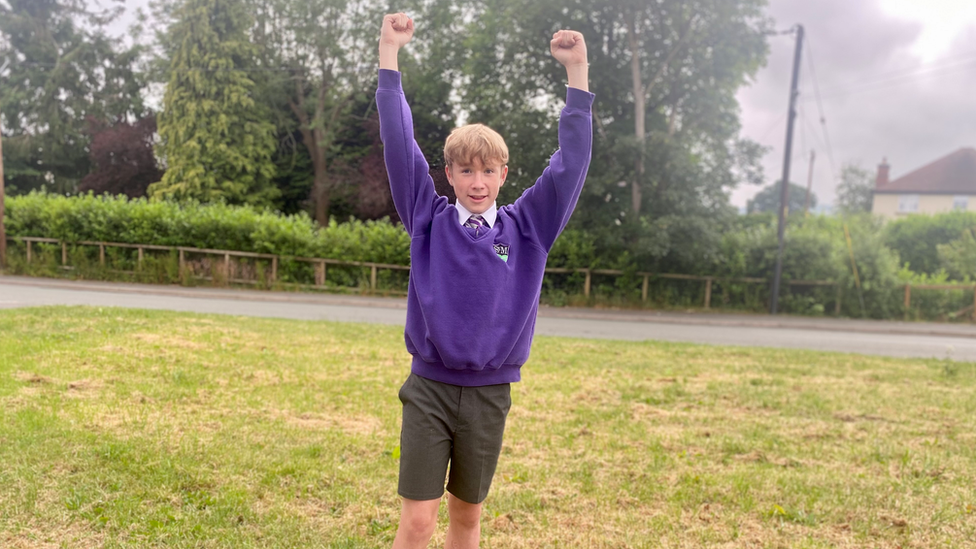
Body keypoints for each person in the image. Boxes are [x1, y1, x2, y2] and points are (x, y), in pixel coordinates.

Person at [377, 12, 592, 549]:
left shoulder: (529, 227)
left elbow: (571, 164)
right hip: (428, 391)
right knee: (418, 522)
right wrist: (390, 55)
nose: (478, 182)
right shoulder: (427, 219)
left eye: (488, 170)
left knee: (467, 520)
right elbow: (399, 144)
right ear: (448, 174)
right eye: (466, 170)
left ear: (503, 174)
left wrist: (577, 72)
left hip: (490, 396)